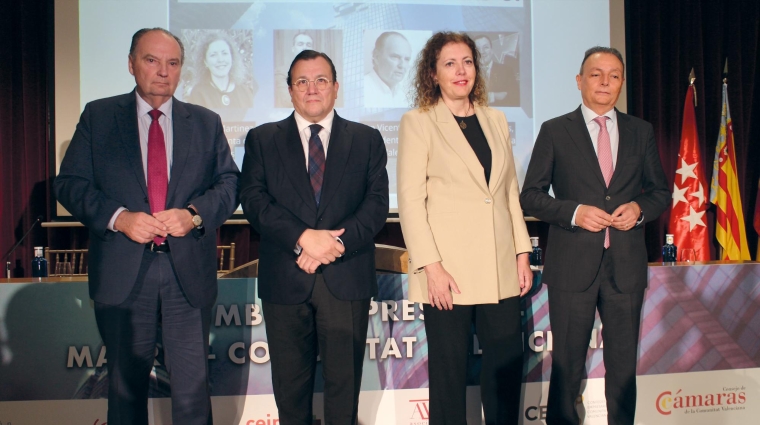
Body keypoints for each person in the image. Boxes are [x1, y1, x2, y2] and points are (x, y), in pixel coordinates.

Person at [54, 28, 239, 425]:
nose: (163, 72)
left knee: (192, 395)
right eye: (152, 61)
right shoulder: (100, 117)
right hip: (124, 274)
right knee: (124, 392)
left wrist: (192, 215)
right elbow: (69, 184)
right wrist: (120, 218)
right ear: (131, 65)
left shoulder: (206, 122)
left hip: (186, 275)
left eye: (172, 63)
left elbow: (229, 184)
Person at [520, 46, 669, 425]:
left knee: (622, 371)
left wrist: (638, 210)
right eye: (596, 74)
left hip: (625, 268)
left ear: (621, 82)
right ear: (579, 81)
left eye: (614, 75)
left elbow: (659, 193)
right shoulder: (555, 130)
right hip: (573, 266)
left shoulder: (641, 131)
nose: (605, 82)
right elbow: (531, 195)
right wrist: (574, 212)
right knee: (568, 366)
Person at [239, 49, 388, 424]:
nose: (312, 89)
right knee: (290, 392)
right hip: (286, 279)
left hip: (346, 277)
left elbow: (376, 205)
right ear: (289, 90)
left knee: (344, 391)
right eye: (301, 81)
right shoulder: (261, 139)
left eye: (321, 80)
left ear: (336, 88)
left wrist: (334, 244)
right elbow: (254, 201)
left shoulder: (367, 139)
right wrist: (304, 237)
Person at [397, 31, 533, 424]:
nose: (461, 71)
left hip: (500, 267)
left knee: (504, 372)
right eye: (450, 64)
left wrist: (522, 253)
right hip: (447, 274)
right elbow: (410, 202)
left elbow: (507, 192)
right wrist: (430, 267)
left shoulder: (495, 118)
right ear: (433, 74)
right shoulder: (418, 122)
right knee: (449, 376)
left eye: (468, 62)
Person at [187, 31, 254, 108]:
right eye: (213, 55)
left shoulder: (245, 92)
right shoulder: (198, 94)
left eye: (224, 53)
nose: (220, 60)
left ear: (232, 58)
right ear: (205, 62)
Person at [364, 31, 412, 107]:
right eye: (395, 57)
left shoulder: (407, 94)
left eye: (407, 59)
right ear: (377, 57)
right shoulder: (363, 89)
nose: (402, 65)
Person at [474, 35, 520, 107]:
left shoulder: (506, 70)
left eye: (485, 47)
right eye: (478, 49)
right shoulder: (467, 73)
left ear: (492, 50)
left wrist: (491, 96)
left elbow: (515, 97)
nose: (482, 52)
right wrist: (496, 96)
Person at [275, 32, 314, 107]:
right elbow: (288, 100)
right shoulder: (281, 72)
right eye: (300, 44)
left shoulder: (321, 72)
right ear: (293, 49)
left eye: (308, 45)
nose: (304, 48)